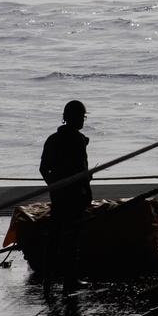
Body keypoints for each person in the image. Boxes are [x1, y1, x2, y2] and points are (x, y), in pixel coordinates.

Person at [40, 100, 92, 290]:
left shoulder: (52, 139)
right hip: (74, 195)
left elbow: (43, 168)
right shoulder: (77, 140)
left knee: (54, 236)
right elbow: (81, 171)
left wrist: (54, 186)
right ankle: (70, 280)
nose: (83, 120)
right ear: (75, 118)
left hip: (58, 195)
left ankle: (48, 279)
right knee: (71, 239)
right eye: (82, 117)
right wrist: (87, 190)